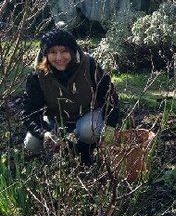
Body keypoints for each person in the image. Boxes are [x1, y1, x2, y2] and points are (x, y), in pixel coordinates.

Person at [21, 29, 119, 164]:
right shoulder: (37, 76)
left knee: (89, 131)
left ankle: (85, 152)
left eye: (64, 51)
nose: (59, 58)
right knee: (32, 143)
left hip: (86, 115)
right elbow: (28, 112)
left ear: (73, 52)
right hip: (55, 119)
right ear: (45, 54)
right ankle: (54, 157)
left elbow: (110, 98)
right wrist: (44, 133)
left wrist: (110, 128)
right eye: (53, 52)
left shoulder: (90, 66)